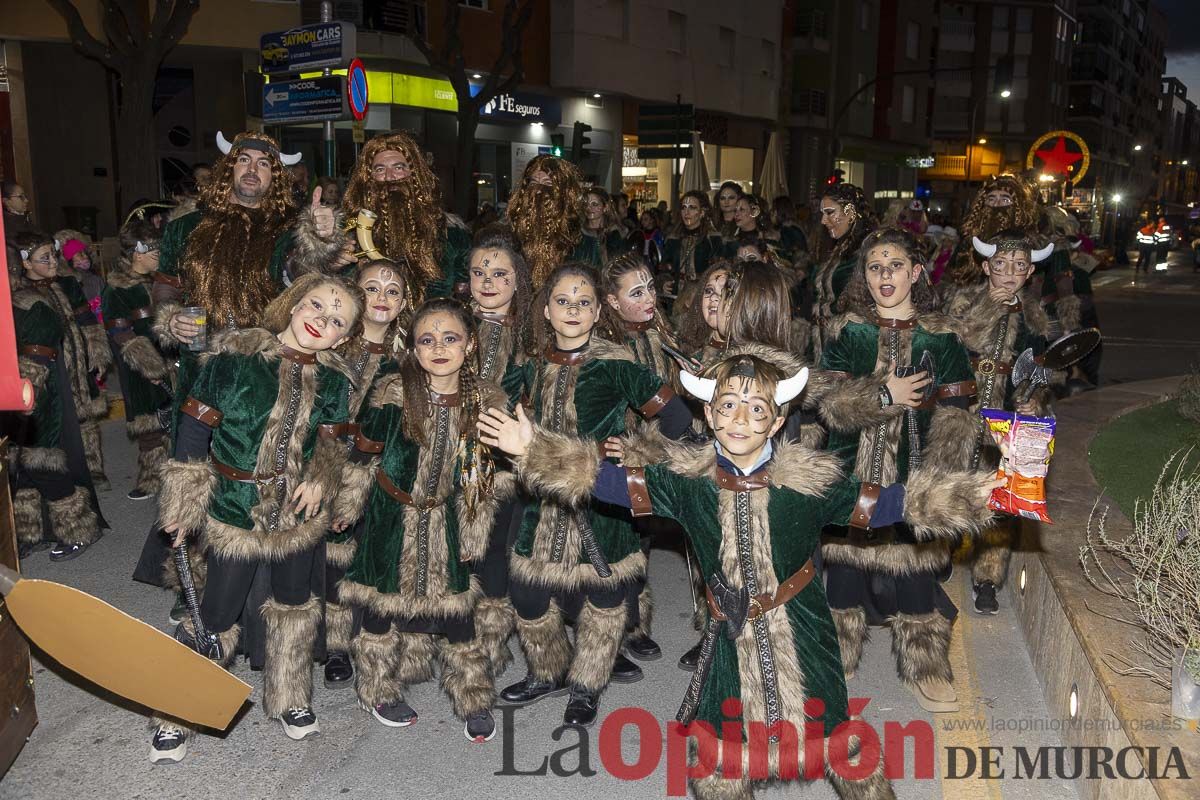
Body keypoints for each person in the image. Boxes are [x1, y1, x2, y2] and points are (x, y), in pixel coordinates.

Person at [479, 352, 998, 800]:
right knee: (721, 753)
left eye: (757, 409)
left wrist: (986, 493)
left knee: (838, 738)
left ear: (776, 422)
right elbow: (608, 482)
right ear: (709, 413)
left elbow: (894, 504)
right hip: (725, 638)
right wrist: (532, 449)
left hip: (804, 631)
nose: (740, 419)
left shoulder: (811, 484)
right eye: (728, 405)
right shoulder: (688, 485)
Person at [150, 273, 360, 763]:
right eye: (314, 306)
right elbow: (192, 434)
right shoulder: (234, 358)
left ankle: (289, 697)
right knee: (216, 612)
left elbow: (335, 440)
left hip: (296, 517)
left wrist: (322, 477)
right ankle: (176, 711)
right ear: (292, 303)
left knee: (293, 605)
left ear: (343, 337)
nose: (320, 321)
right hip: (233, 510)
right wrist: (182, 506)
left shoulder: (333, 378)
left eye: (335, 320)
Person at [496, 263, 692, 727]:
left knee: (603, 598)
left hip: (602, 502)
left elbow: (678, 419)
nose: (573, 310)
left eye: (584, 302)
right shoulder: (531, 362)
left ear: (597, 309)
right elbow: (494, 408)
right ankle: (548, 673)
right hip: (542, 502)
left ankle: (587, 685)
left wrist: (635, 449)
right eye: (563, 301)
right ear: (546, 309)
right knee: (526, 594)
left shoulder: (615, 361)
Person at [817, 227, 980, 714]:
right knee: (843, 575)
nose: (884, 275)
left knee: (915, 576)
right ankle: (835, 662)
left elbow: (957, 414)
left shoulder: (943, 337)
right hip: (852, 470)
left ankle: (926, 667)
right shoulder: (849, 332)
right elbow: (829, 406)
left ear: (915, 272)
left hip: (915, 475)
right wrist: (884, 396)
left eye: (894, 266)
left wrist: (942, 484)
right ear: (863, 276)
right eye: (874, 267)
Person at [332, 299, 505, 743]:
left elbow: (480, 478)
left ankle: (474, 697)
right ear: (413, 349)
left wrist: (473, 529)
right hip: (390, 516)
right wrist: (348, 508)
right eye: (427, 340)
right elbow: (364, 454)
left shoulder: (485, 400)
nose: (439, 348)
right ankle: (376, 688)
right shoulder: (392, 392)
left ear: (469, 346)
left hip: (448, 517)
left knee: (459, 612)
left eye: (451, 338)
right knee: (379, 604)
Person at [152, 130, 343, 435]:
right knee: (192, 461)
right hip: (199, 363)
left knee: (249, 460)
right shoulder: (184, 227)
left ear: (275, 177)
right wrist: (171, 318)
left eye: (264, 164)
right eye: (244, 160)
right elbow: (166, 285)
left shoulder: (288, 230)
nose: (253, 170)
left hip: (262, 365)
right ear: (230, 168)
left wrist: (319, 237)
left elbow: (300, 274)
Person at [942, 230, 1057, 613]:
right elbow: (955, 344)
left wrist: (1034, 401)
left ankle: (987, 578)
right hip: (959, 411)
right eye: (1002, 264)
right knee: (949, 484)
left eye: (1019, 266)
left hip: (1004, 421)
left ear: (1030, 272)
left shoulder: (1035, 315)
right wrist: (987, 308)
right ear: (985, 265)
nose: (1009, 273)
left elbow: (1038, 373)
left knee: (1000, 498)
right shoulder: (962, 300)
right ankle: (937, 553)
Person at [321, 258, 409, 690]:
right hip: (328, 460)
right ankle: (335, 645)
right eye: (372, 288)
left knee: (371, 553)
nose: (381, 298)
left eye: (392, 292)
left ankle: (370, 639)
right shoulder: (334, 341)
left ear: (403, 301)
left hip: (379, 464)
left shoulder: (408, 354)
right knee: (333, 552)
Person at [8, 237, 105, 561]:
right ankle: (31, 529)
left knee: (51, 453)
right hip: (32, 382)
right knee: (22, 460)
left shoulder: (60, 286)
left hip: (54, 379)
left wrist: (96, 352)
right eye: (43, 257)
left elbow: (83, 324)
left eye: (52, 255)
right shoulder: (19, 295)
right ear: (24, 262)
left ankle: (77, 527)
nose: (52, 261)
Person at [464, 229, 533, 674]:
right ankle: (450, 634)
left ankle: (489, 643)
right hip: (445, 456)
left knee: (494, 551)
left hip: (502, 463)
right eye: (478, 272)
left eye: (499, 273)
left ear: (517, 282)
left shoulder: (530, 337)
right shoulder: (447, 323)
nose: (487, 280)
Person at [341, 131, 472, 301]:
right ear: (368, 178)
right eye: (380, 169)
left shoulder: (451, 235)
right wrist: (325, 250)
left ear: (415, 173)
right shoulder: (349, 232)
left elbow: (466, 294)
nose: (389, 177)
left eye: (399, 167)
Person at [100, 217, 171, 502]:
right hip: (140, 365)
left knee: (172, 417)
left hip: (170, 357)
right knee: (149, 423)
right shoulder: (116, 289)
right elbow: (120, 332)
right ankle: (151, 478)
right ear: (138, 252)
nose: (160, 256)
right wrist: (149, 365)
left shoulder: (160, 282)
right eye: (155, 251)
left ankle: (172, 474)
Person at [505, 154, 601, 286]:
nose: (539, 191)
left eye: (547, 183)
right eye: (533, 183)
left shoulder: (583, 245)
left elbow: (593, 288)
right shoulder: (509, 238)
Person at [810, 183, 877, 361]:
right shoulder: (840, 248)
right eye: (822, 213)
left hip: (852, 349)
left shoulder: (870, 251)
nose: (823, 221)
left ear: (850, 211)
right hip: (827, 347)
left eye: (830, 212)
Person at [661, 190, 724, 317]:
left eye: (692, 208)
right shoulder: (673, 238)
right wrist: (664, 282)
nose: (687, 212)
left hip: (702, 298)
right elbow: (664, 267)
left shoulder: (713, 239)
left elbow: (719, 270)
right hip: (675, 297)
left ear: (702, 212)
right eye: (684, 207)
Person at [581, 186, 629, 265]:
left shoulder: (614, 234)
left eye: (594, 204)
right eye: (586, 204)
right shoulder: (578, 234)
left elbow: (620, 265)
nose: (589, 208)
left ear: (605, 207)